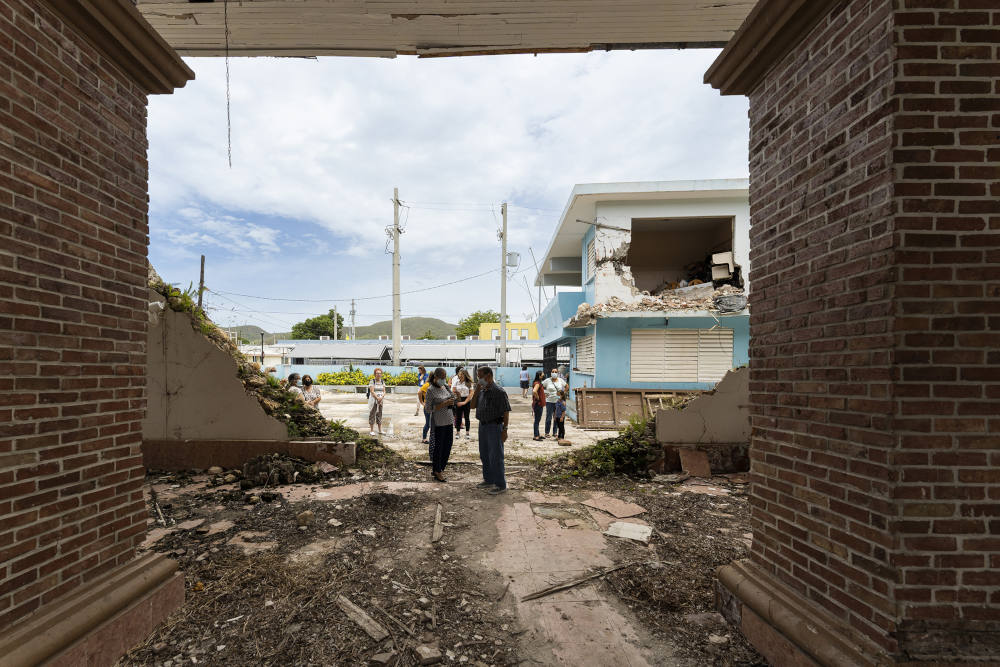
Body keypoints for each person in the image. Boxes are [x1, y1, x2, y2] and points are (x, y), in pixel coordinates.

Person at [473, 366, 511, 495]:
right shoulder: (482, 390)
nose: (479, 379)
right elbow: (473, 406)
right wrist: (477, 390)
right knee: (484, 454)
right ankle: (488, 479)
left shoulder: (498, 391)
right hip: (483, 426)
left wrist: (505, 430)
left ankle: (500, 484)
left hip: (494, 427)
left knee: (495, 456)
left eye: (480, 376)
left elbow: (506, 411)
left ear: (488, 376)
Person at [424, 367, 456, 482]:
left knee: (447, 446)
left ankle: (440, 468)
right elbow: (428, 409)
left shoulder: (445, 387)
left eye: (444, 377)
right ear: (436, 377)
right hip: (438, 423)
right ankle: (437, 471)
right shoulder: (430, 390)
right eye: (442, 378)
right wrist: (444, 404)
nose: (443, 379)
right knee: (439, 447)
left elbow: (452, 398)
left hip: (449, 420)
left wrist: (454, 397)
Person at [541, 368, 568, 438]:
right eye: (552, 371)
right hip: (549, 401)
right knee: (548, 417)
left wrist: (563, 394)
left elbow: (566, 386)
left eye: (555, 372)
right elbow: (540, 386)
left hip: (558, 402)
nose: (554, 373)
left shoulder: (560, 380)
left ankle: (555, 432)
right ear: (551, 373)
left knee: (556, 417)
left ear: (558, 373)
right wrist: (544, 393)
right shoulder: (547, 380)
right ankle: (547, 432)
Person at [452, 368, 473, 439]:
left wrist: (464, 402)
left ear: (465, 375)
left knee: (467, 417)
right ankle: (458, 432)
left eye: (462, 374)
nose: (460, 375)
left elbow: (471, 394)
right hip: (458, 400)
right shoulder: (456, 382)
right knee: (458, 417)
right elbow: (453, 391)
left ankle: (467, 433)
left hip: (466, 400)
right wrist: (457, 401)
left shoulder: (469, 383)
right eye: (459, 374)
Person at [367, 368, 387, 437]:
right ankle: (372, 430)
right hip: (373, 401)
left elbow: (384, 391)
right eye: (377, 373)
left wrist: (381, 397)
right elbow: (372, 391)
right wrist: (377, 398)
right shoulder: (372, 381)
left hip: (380, 400)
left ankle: (380, 430)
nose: (379, 374)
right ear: (375, 374)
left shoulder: (382, 381)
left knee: (379, 414)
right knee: (372, 414)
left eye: (380, 373)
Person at [531, 370, 545, 441]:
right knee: (537, 420)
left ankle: (538, 434)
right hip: (538, 404)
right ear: (539, 376)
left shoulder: (538, 383)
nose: (543, 376)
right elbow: (534, 391)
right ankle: (536, 436)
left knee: (538, 420)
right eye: (542, 375)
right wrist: (538, 398)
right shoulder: (537, 383)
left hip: (539, 404)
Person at [417, 376, 433, 444]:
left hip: (435, 408)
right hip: (428, 407)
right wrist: (422, 402)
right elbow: (419, 392)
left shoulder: (435, 385)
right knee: (428, 423)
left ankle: (432, 438)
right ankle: (424, 438)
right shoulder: (427, 385)